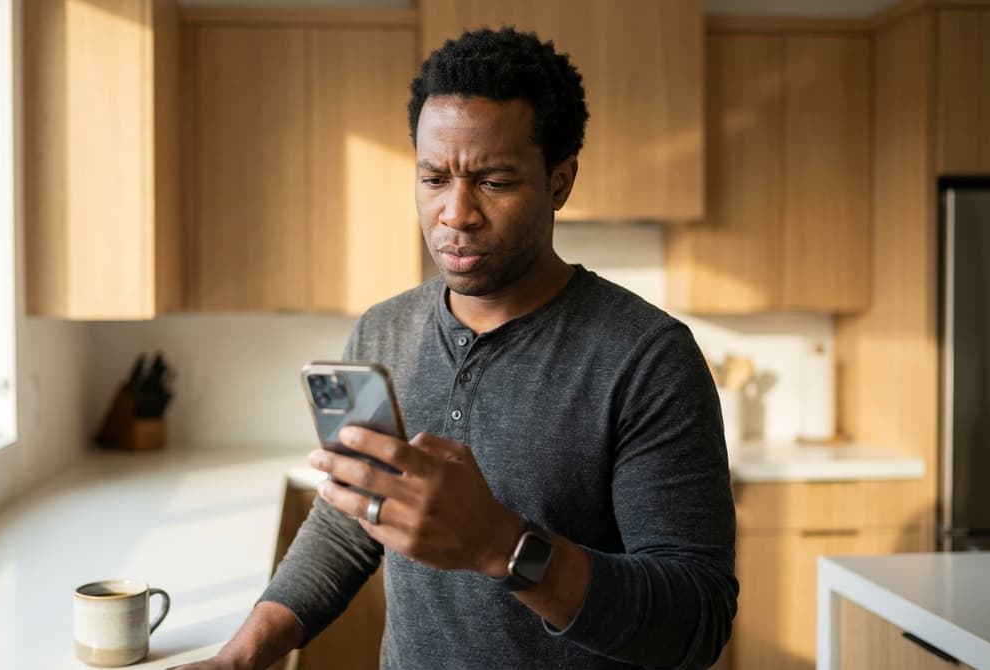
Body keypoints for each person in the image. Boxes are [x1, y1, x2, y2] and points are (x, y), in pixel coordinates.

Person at [170, 27, 737, 670]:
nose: (455, 213)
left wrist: (502, 545)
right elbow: (350, 520)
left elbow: (696, 618)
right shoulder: (383, 333)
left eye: (494, 182)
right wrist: (240, 656)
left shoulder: (647, 358)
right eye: (434, 178)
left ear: (559, 182)